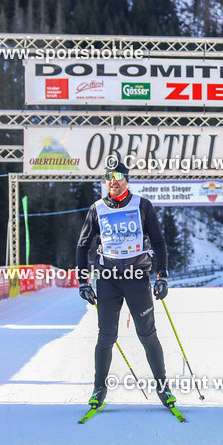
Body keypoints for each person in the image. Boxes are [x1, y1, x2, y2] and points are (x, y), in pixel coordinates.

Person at [75, 161, 175, 411]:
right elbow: (82, 246)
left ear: (127, 179)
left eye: (118, 176)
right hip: (107, 277)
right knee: (106, 335)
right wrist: (83, 281)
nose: (113, 180)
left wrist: (162, 276)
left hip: (136, 277)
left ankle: (163, 388)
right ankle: (99, 389)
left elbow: (160, 242)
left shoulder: (142, 205)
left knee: (147, 334)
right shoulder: (97, 208)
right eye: (109, 177)